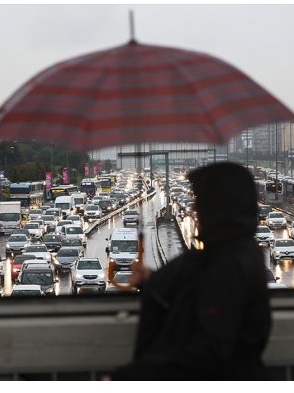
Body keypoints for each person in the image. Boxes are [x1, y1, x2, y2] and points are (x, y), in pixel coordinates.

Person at [109, 162, 271, 380]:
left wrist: (129, 378)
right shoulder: (226, 251)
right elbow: (193, 287)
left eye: (200, 201)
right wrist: (151, 280)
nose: (194, 208)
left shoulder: (229, 264)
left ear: (218, 207)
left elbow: (208, 351)